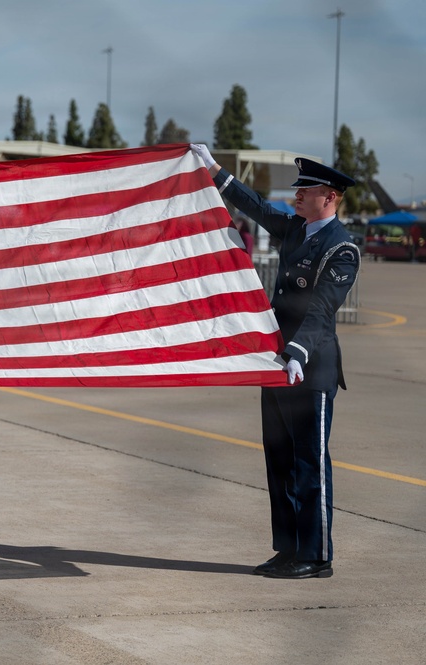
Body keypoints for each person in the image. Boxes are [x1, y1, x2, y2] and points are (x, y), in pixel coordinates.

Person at [190, 144, 359, 580]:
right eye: (298, 189)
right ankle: (286, 549)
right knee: (279, 462)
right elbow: (257, 206)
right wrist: (213, 170)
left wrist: (297, 353)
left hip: (309, 367)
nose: (297, 195)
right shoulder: (296, 230)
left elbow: (322, 309)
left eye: (307, 190)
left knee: (310, 465)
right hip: (276, 365)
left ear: (331, 197)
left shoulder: (342, 248)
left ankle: (316, 555)